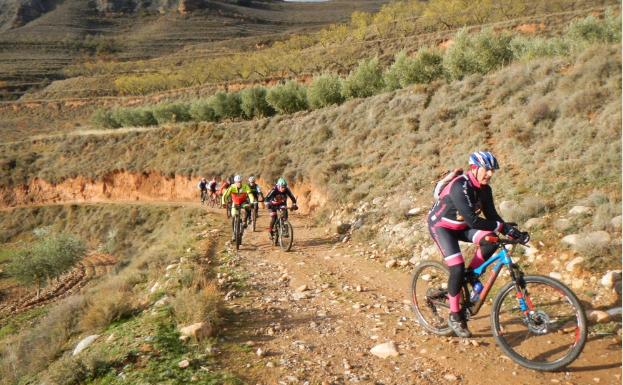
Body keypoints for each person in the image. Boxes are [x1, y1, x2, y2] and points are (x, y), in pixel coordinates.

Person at [427, 151, 529, 338]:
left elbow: (492, 217)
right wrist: (501, 226)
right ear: (474, 168)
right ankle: (455, 315)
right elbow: (474, 221)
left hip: (461, 226)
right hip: (442, 227)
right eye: (487, 170)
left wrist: (512, 231)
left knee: (491, 239)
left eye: (492, 171)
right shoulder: (460, 186)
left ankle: (471, 276)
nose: (490, 174)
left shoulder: (485, 189)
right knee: (456, 267)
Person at [222, 175, 256, 240]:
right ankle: (234, 234)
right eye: (237, 182)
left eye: (240, 182)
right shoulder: (232, 187)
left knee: (248, 207)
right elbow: (225, 195)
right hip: (235, 203)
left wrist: (251, 202)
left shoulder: (245, 186)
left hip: (243, 203)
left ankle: (245, 221)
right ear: (235, 182)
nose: (239, 183)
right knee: (234, 216)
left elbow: (250, 195)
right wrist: (223, 202)